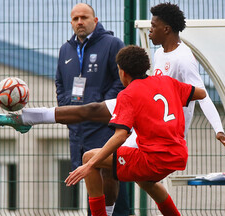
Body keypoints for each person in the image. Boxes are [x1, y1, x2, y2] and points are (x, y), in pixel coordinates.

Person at [64, 45, 208, 216]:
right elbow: (201, 94)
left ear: (123, 72)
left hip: (154, 159)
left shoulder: (128, 94)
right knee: (145, 181)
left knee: (89, 156)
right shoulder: (166, 82)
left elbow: (121, 135)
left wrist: (89, 165)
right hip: (178, 155)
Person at [52, 3, 129, 215]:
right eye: (75, 18)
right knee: (90, 180)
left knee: (110, 178)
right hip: (78, 130)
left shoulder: (112, 44)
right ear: (71, 22)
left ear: (95, 21)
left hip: (104, 127)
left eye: (84, 17)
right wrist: (65, 106)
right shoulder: (65, 49)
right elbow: (59, 81)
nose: (79, 22)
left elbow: (122, 79)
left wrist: (102, 105)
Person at [149, 3, 225, 150]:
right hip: (155, 127)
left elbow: (203, 95)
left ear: (166, 29)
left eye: (153, 26)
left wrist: (219, 130)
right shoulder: (158, 54)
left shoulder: (183, 58)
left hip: (171, 135)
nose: (150, 30)